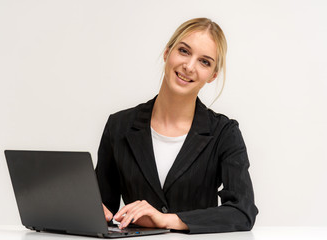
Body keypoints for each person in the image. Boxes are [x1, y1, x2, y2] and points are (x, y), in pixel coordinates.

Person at [95, 17, 258, 234]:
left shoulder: (224, 133)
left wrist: (167, 220)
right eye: (184, 51)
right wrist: (92, 210)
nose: (189, 66)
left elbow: (243, 211)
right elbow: (101, 207)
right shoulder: (119, 126)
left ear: (212, 75)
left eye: (205, 62)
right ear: (167, 52)